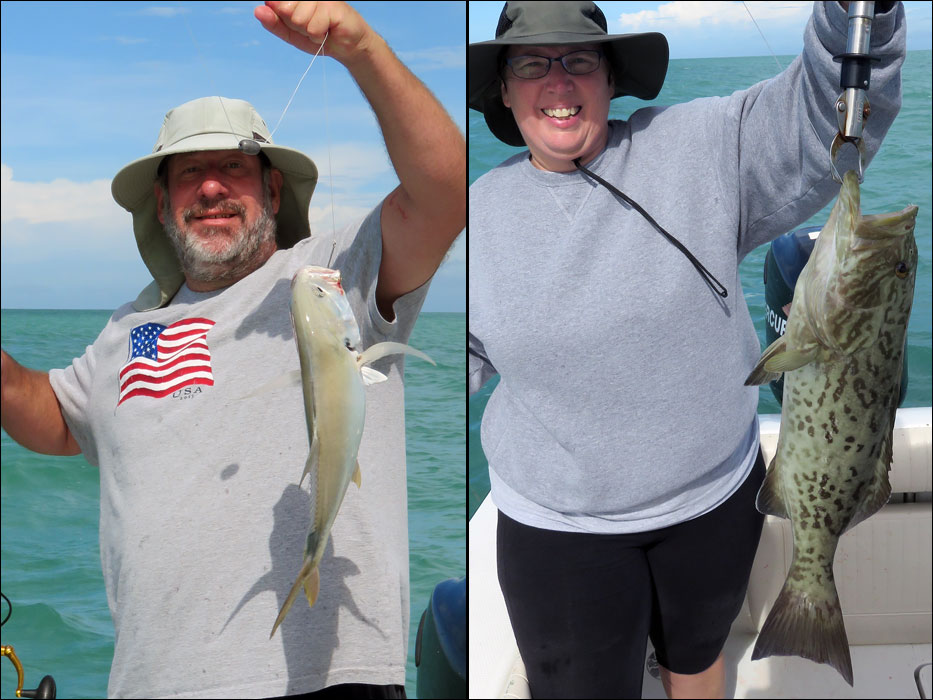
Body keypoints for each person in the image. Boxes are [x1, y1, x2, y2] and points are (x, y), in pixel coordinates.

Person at [0, 2, 464, 698]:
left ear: (273, 189)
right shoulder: (129, 326)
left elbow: (443, 190)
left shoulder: (334, 273)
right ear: (160, 204)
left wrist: (361, 49)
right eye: (189, 173)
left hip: (325, 684)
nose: (212, 186)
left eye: (233, 167)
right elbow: (60, 418)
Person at [468, 1, 905, 698]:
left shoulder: (700, 143)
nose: (557, 81)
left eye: (579, 59)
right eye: (530, 63)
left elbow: (825, 112)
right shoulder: (477, 219)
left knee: (697, 660)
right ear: (503, 88)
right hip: (559, 530)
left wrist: (864, 17)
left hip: (713, 504)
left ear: (611, 77)